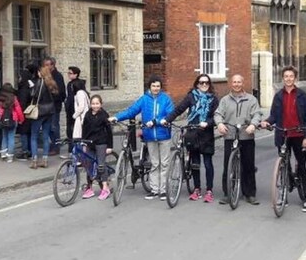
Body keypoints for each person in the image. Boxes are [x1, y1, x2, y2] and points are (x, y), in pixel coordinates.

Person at [260, 66, 306, 212]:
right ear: (283, 78)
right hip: (283, 134)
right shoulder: (278, 96)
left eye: (291, 76)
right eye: (286, 76)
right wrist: (267, 122)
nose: (288, 79)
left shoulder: (302, 95)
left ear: (295, 78)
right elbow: (273, 115)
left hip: (299, 134)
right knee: (284, 165)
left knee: (302, 165)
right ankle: (284, 193)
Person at [110, 76, 174, 200]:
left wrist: (157, 121)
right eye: (153, 86)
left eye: (158, 86)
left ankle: (164, 190)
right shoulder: (144, 99)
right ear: (149, 87)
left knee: (164, 163)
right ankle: (155, 190)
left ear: (161, 87)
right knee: (155, 163)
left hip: (164, 134)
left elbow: (170, 114)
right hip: (149, 135)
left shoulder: (166, 99)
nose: (156, 88)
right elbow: (131, 111)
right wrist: (116, 117)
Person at [165, 74, 220, 203]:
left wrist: (208, 122)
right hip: (193, 133)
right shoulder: (191, 97)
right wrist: (166, 120)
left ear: (209, 84)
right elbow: (179, 109)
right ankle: (196, 189)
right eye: (201, 83)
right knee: (195, 163)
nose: (204, 85)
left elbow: (217, 116)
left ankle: (209, 191)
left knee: (207, 163)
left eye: (206, 83)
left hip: (206, 134)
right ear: (197, 84)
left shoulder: (214, 99)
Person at [214, 74, 262, 205]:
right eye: (234, 82)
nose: (236, 84)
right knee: (228, 165)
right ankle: (227, 192)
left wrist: (253, 124)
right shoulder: (224, 100)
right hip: (230, 135)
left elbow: (257, 114)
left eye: (239, 82)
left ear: (243, 83)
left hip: (246, 135)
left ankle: (250, 193)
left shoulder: (251, 99)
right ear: (231, 83)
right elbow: (218, 114)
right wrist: (219, 124)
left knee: (248, 165)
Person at [80, 95, 114, 200]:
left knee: (100, 165)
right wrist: (83, 143)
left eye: (97, 103)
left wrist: (109, 146)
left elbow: (109, 132)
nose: (95, 106)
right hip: (90, 142)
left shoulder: (104, 115)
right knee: (88, 164)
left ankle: (105, 188)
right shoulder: (88, 114)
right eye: (93, 103)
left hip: (101, 142)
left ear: (101, 104)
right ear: (90, 104)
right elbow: (84, 130)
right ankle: (89, 188)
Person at [29, 64, 58, 169]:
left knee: (34, 136)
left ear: (41, 73)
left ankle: (34, 160)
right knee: (46, 136)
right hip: (49, 111)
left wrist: (31, 86)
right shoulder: (52, 83)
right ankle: (45, 160)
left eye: (38, 72)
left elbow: (33, 95)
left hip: (40, 111)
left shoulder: (40, 83)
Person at [0, 83, 25, 162]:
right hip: (13, 119)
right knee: (11, 137)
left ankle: (3, 153)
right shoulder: (13, 98)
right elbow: (18, 109)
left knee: (4, 137)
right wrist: (21, 119)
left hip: (3, 120)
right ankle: (10, 156)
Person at [43, 56, 66, 156]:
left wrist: (54, 98)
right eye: (45, 65)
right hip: (45, 105)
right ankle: (52, 145)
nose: (47, 67)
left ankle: (56, 147)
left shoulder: (57, 76)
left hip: (54, 105)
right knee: (47, 127)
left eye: (48, 65)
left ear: (53, 65)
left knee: (54, 126)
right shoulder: (45, 75)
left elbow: (61, 92)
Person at [16, 64, 38, 159]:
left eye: (20, 77)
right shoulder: (31, 86)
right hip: (30, 112)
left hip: (25, 113)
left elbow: (22, 103)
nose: (19, 79)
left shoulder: (24, 89)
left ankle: (25, 151)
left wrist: (20, 116)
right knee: (29, 132)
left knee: (24, 132)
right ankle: (29, 150)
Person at [68, 69, 90, 145]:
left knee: (79, 135)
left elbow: (81, 107)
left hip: (80, 117)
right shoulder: (82, 93)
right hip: (82, 116)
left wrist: (74, 116)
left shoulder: (79, 93)